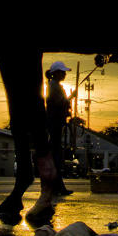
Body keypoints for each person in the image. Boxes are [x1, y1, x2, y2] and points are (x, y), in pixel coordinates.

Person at [45, 61, 77, 196]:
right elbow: (59, 102)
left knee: (57, 154)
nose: (64, 74)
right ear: (56, 73)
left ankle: (57, 186)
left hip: (57, 122)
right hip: (55, 123)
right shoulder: (53, 86)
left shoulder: (54, 85)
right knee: (56, 154)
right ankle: (57, 186)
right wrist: (71, 97)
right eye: (62, 72)